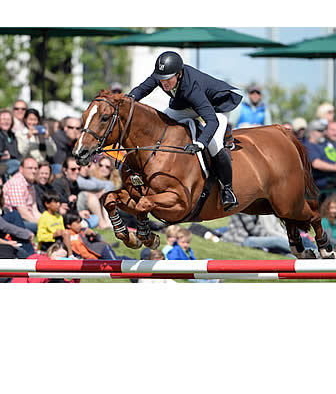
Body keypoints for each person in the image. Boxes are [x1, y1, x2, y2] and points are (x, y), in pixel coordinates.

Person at [128, 51, 242, 211]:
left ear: (179, 74)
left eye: (168, 79)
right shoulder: (161, 75)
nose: (164, 83)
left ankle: (228, 190)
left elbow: (212, 121)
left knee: (213, 144)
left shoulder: (191, 87)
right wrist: (126, 100)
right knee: (161, 125)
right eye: (161, 79)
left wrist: (201, 143)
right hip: (186, 105)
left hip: (215, 107)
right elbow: (142, 89)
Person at [52, 157, 110, 229]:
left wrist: (80, 213)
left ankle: (86, 224)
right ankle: (85, 225)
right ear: (65, 170)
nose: (77, 172)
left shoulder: (75, 184)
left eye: (78, 169)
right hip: (64, 217)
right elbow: (59, 208)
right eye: (73, 169)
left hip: (75, 215)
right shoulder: (58, 184)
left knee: (95, 218)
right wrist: (69, 201)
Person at [64, 212, 134, 261]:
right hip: (91, 258)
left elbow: (96, 237)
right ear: (68, 225)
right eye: (77, 223)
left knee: (114, 263)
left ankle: (135, 267)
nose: (80, 225)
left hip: (102, 250)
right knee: (115, 261)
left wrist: (93, 234)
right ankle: (134, 263)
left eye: (80, 222)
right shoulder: (66, 235)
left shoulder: (83, 230)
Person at [221, 212, 296, 256]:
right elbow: (252, 228)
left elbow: (258, 226)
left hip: (250, 236)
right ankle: (301, 251)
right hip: (240, 239)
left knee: (283, 252)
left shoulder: (252, 208)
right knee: (277, 241)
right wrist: (267, 235)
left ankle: (298, 256)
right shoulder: (242, 210)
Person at [2, 157, 42, 233]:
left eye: (36, 168)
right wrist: (41, 224)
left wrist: (47, 220)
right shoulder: (17, 183)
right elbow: (23, 213)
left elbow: (34, 209)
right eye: (30, 168)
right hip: (15, 222)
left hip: (27, 219)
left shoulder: (30, 183)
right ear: (21, 169)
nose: (33, 171)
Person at [37, 191, 73, 256]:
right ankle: (70, 255)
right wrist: (53, 235)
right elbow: (40, 237)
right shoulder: (44, 218)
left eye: (59, 202)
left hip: (59, 241)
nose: (58, 204)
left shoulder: (59, 217)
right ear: (47, 204)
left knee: (67, 233)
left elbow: (63, 231)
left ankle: (69, 254)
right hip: (48, 244)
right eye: (55, 202)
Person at [0, 108, 22, 177]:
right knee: (17, 164)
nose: (6, 122)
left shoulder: (12, 136)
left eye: (8, 120)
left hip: (12, 162)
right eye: (3, 119)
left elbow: (16, 153)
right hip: (3, 164)